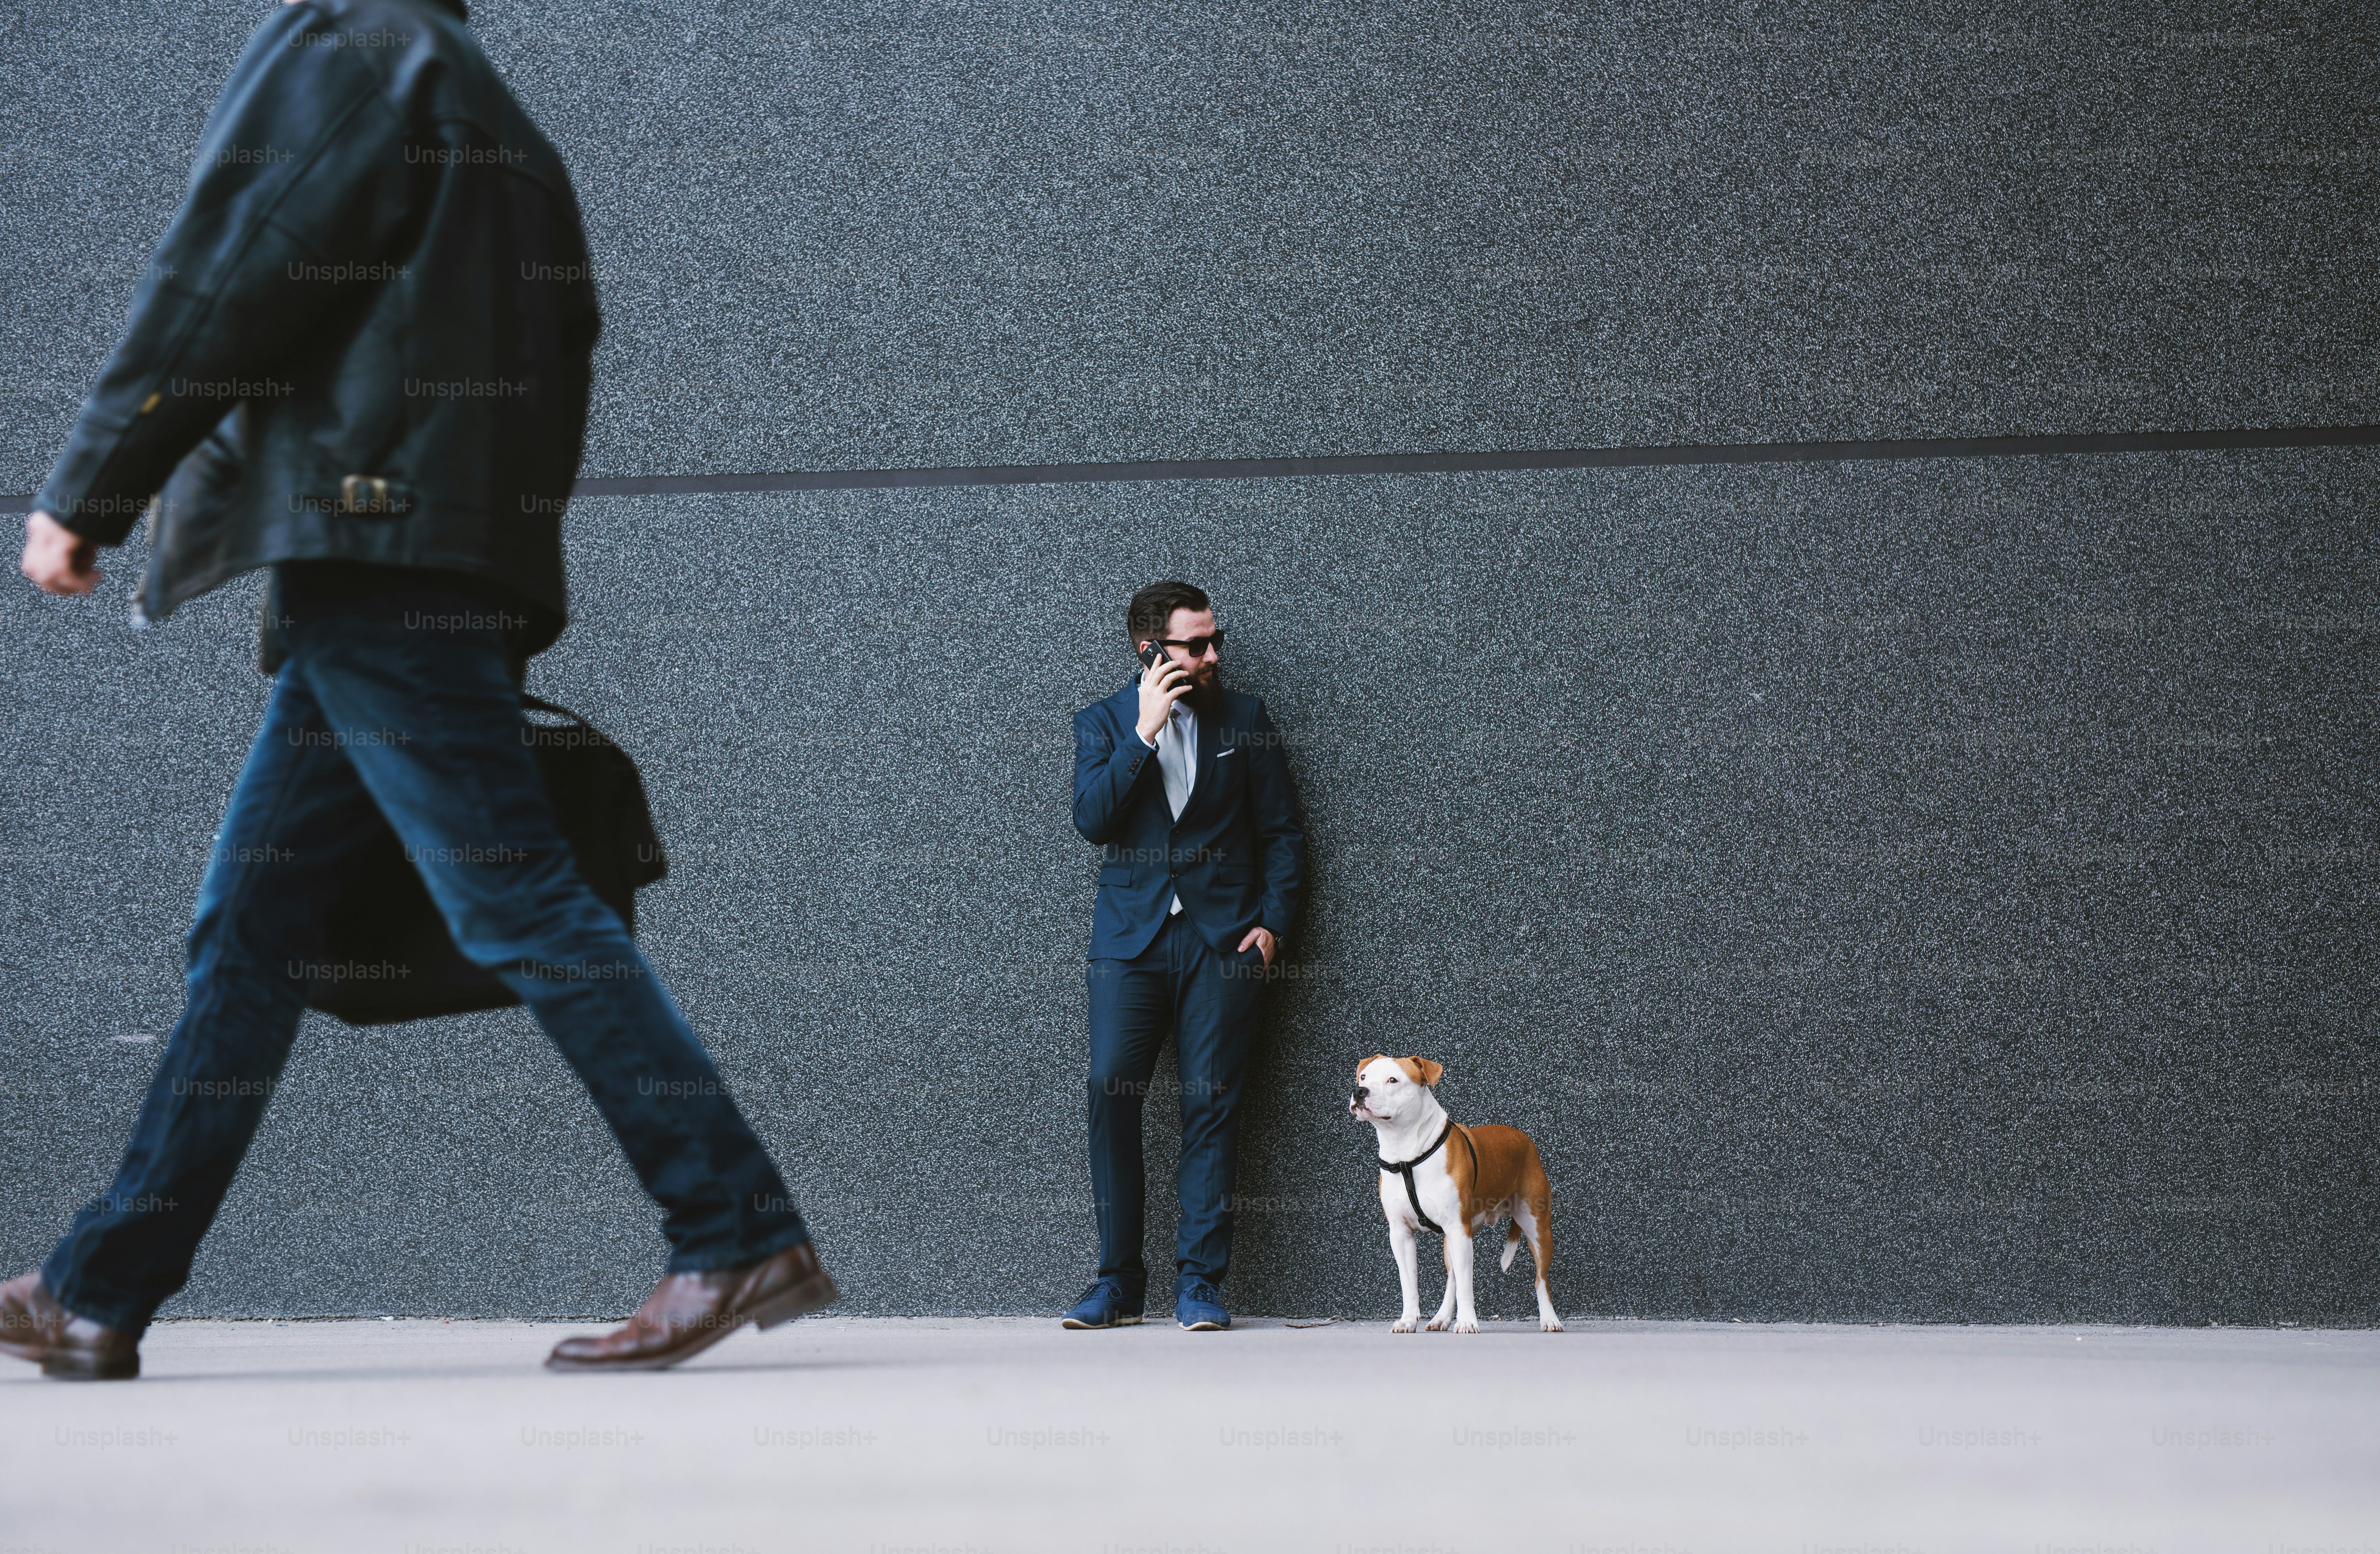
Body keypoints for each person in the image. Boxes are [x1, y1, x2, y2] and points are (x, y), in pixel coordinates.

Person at [1, 0, 830, 1381]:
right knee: (251, 933)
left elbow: (231, 268)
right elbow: (563, 354)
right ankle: (99, 1291)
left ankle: (734, 1222)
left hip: (373, 546)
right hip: (432, 551)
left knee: (516, 897)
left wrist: (90, 490)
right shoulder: (499, 114)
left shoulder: (349, 47)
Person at [1063, 581, 1307, 1331]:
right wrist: (1144, 732)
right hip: (1130, 942)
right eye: (1194, 645)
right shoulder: (1103, 723)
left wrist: (1272, 927)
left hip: (1221, 941)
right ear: (1149, 649)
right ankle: (1118, 1283)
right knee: (1111, 1092)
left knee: (1211, 1104)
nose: (1211, 655)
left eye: (1214, 640)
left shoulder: (1245, 719)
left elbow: (1284, 834)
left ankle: (1200, 1281)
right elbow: (1093, 821)